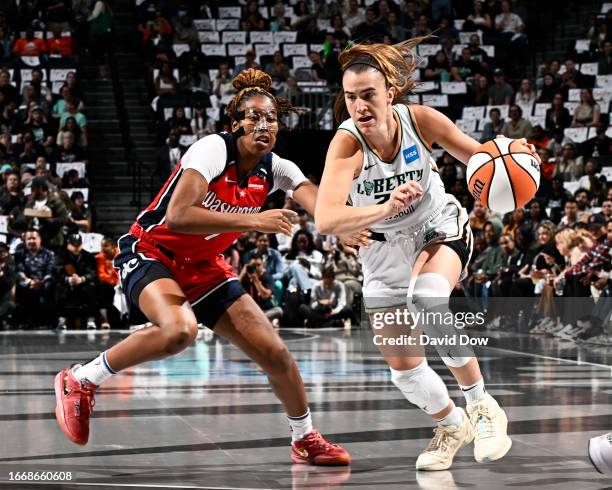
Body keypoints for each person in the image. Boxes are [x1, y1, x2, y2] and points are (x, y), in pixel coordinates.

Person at [53, 68, 350, 466]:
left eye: (272, 119)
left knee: (276, 355)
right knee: (180, 331)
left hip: (205, 265)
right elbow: (178, 215)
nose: (264, 125)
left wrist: (354, 226)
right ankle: (82, 379)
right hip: (152, 250)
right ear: (235, 123)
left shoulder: (277, 168)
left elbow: (322, 208)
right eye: (255, 117)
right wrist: (254, 220)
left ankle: (305, 438)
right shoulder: (213, 149)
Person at [315, 39, 541, 471]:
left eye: (368, 95)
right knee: (405, 371)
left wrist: (517, 158)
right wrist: (383, 208)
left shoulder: (420, 121)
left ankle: (482, 405)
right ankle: (452, 425)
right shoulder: (347, 145)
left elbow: (482, 158)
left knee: (428, 297)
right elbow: (326, 218)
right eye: (350, 98)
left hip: (436, 226)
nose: (359, 106)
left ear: (389, 94)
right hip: (382, 252)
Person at [55, 233, 98, 330]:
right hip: (67, 282)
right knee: (59, 287)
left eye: (78, 245)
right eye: (73, 245)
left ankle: (90, 320)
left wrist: (82, 279)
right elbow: (56, 271)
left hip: (83, 282)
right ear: (68, 245)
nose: (76, 248)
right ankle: (62, 319)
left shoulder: (88, 256)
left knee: (92, 286)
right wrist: (68, 279)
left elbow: (92, 272)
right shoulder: (61, 256)